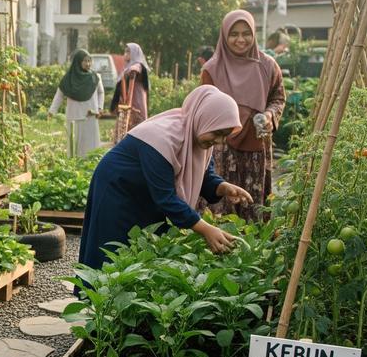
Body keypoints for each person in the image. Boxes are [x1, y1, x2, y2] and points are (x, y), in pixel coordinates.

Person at [76, 85, 254, 271]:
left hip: (144, 191)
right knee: (112, 247)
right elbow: (165, 198)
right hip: (118, 188)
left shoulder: (196, 136)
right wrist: (205, 229)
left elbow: (205, 176)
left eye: (225, 135)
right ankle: (95, 297)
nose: (219, 142)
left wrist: (223, 187)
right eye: (217, 133)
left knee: (145, 246)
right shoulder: (161, 138)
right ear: (203, 118)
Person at [200, 10, 285, 221]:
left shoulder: (268, 66)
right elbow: (204, 107)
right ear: (224, 35)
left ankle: (254, 249)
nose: (240, 39)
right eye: (234, 34)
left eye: (246, 33)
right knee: (221, 204)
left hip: (256, 144)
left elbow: (278, 99)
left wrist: (268, 115)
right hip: (221, 147)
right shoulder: (212, 69)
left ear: (254, 33)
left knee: (254, 205)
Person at [49, 49, 105, 157]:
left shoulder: (95, 77)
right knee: (75, 146)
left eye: (89, 61)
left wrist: (99, 107)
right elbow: (59, 95)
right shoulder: (68, 79)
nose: (88, 64)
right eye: (85, 61)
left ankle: (90, 164)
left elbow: (101, 92)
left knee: (91, 145)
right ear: (78, 62)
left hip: (90, 115)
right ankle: (75, 166)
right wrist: (52, 110)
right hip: (74, 116)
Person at [108, 42, 150, 142]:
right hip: (126, 104)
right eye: (125, 51)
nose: (125, 54)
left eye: (128, 52)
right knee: (124, 129)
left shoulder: (138, 65)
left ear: (135, 53)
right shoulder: (126, 68)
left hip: (136, 102)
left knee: (135, 129)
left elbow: (136, 69)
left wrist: (131, 71)